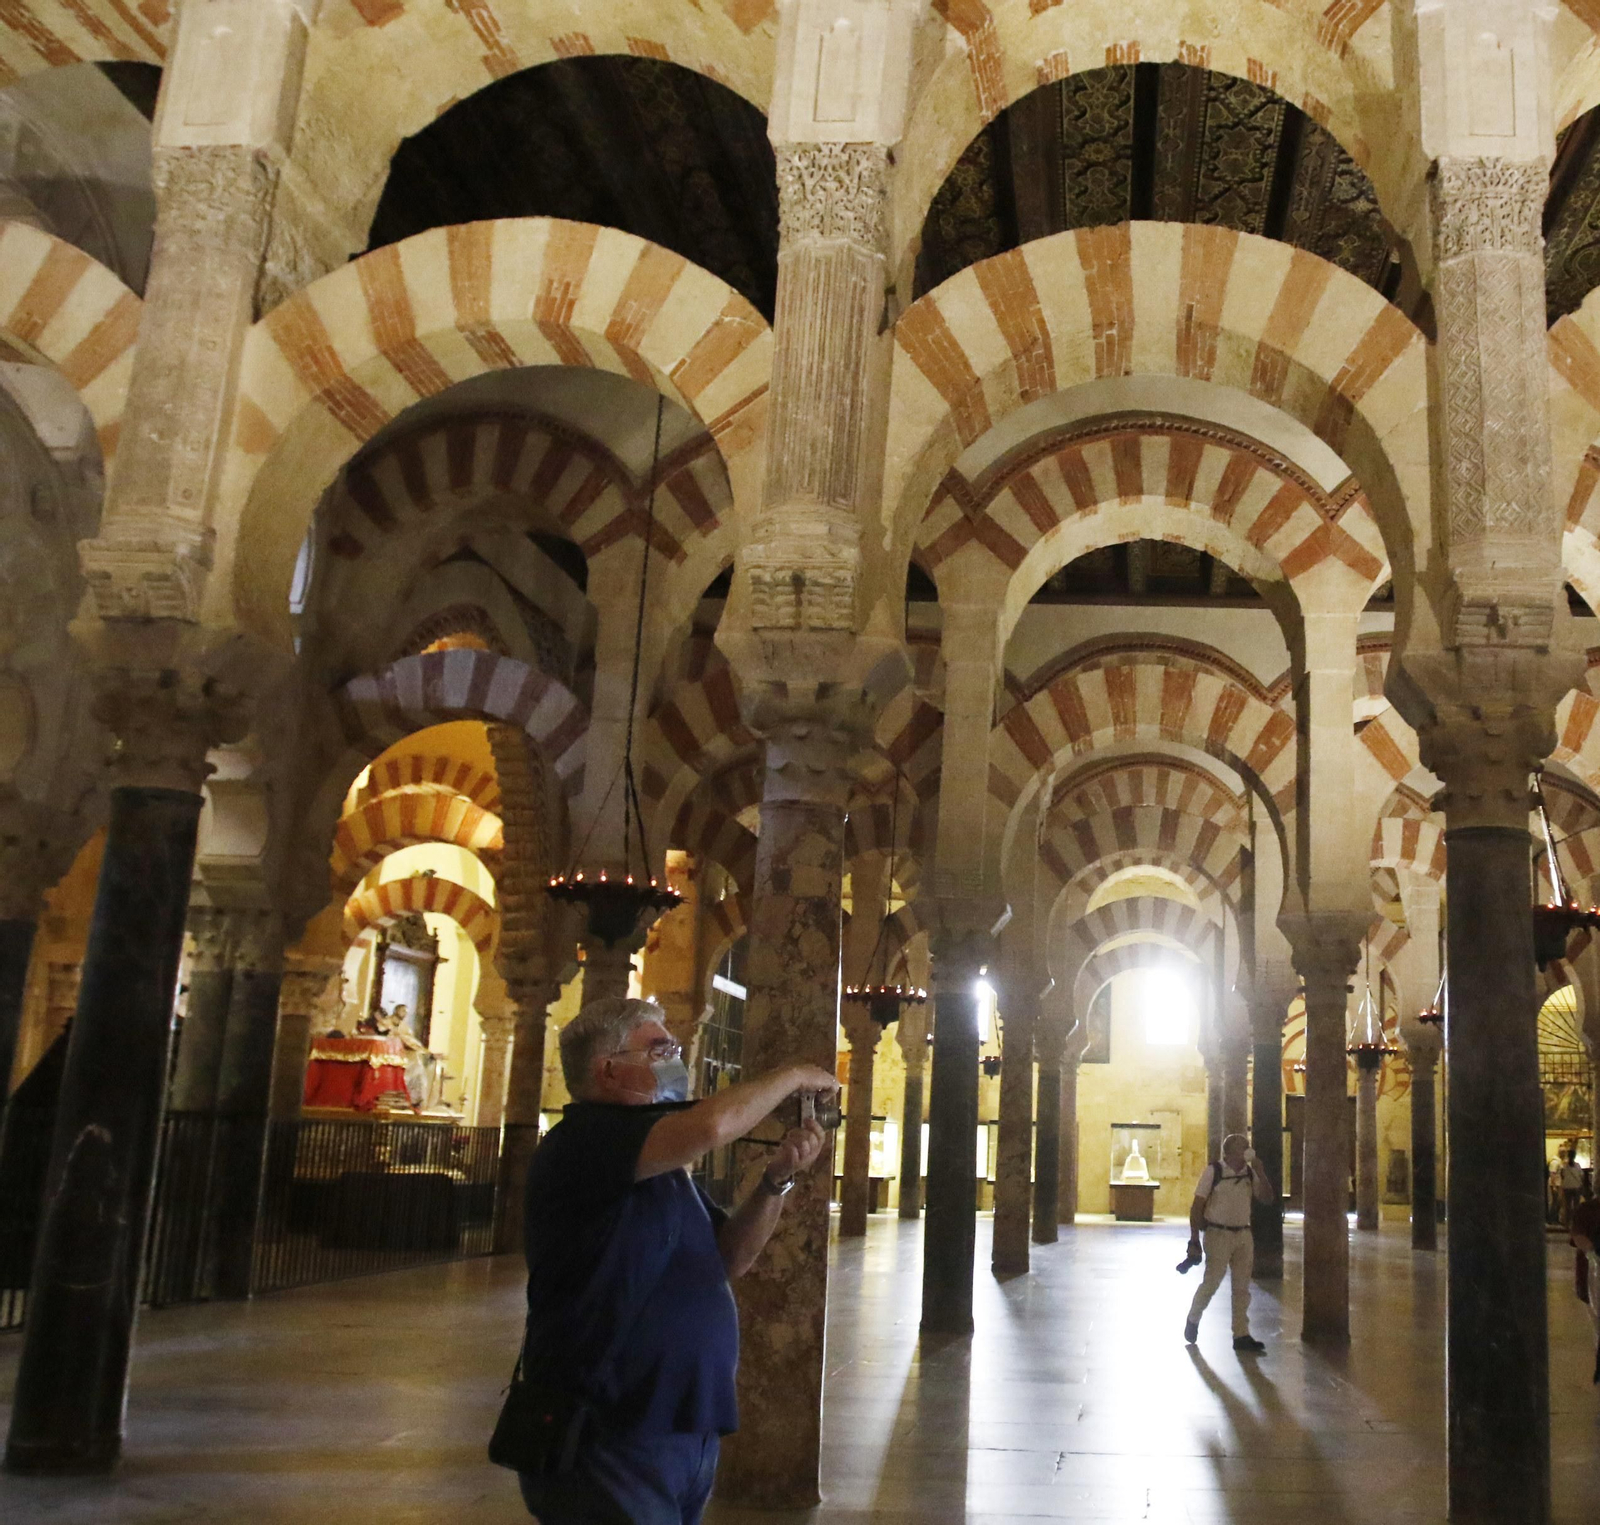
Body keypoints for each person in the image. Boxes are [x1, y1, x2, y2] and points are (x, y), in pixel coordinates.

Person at [516, 996, 839, 1524]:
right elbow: (711, 1128)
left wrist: (776, 1180)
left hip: (683, 1426)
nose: (676, 1060)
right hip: (608, 1430)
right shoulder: (583, 1141)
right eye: (659, 1048)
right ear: (609, 1070)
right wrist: (794, 1074)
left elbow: (730, 1257)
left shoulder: (659, 1167)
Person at [1183, 1132, 1275, 1353]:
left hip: (1243, 1234)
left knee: (1242, 1288)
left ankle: (1241, 1334)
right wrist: (1194, 1239)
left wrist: (1261, 1174)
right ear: (1230, 1151)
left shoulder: (1250, 1173)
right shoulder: (1214, 1171)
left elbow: (1267, 1199)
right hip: (1218, 1234)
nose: (1247, 1149)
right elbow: (1197, 1206)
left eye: (1247, 1146)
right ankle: (1193, 1318)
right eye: (1242, 1146)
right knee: (1212, 1281)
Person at [1559, 1150, 1587, 1228]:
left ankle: (1567, 1223)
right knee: (1576, 1206)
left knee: (1567, 1206)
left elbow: (1562, 1175)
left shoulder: (1564, 1165)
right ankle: (1576, 1224)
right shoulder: (1577, 1166)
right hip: (1576, 1187)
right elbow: (1582, 1176)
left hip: (1567, 1187)